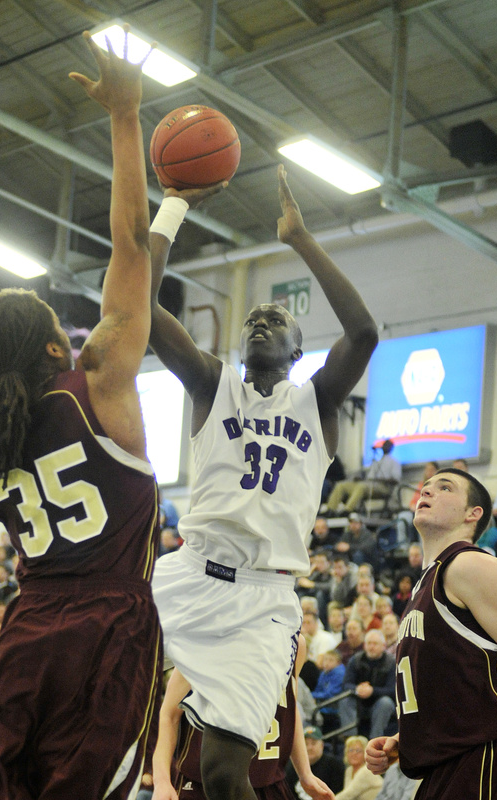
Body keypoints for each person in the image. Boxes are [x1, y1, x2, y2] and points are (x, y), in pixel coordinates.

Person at [0, 27, 162, 800]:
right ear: (57, 347)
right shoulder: (99, 382)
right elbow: (133, 242)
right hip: (108, 633)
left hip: (26, 635)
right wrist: (126, 117)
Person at [148, 164, 378, 800]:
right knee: (92, 684)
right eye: (253, 317)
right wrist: (171, 208)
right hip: (189, 575)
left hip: (263, 601)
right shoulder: (210, 383)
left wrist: (300, 239)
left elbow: (364, 333)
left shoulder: (318, 402)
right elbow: (140, 306)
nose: (260, 321)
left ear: (299, 349)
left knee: (224, 775)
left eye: (277, 319)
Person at [365, 468, 497, 798]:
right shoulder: (428, 581)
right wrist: (407, 736)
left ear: (474, 513)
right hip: (448, 763)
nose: (427, 492)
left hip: (482, 758)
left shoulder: (467, 564)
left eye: (445, 487)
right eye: (425, 487)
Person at [151, 637, 334, 800]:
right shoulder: (207, 641)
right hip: (203, 783)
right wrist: (162, 781)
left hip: (268, 780)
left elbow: (289, 709)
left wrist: (305, 773)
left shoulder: (294, 641)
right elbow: (168, 715)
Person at [339, 630, 396, 740]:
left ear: (383, 646)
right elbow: (346, 684)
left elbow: (392, 690)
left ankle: (375, 740)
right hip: (358, 701)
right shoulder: (355, 660)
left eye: (375, 644)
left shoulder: (391, 663)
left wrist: (372, 691)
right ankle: (350, 739)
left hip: (380, 703)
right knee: (345, 699)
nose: (371, 647)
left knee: (386, 702)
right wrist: (357, 689)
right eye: (369, 643)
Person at [326, 441, 401, 515]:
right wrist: (361, 479)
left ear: (391, 448)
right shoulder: (377, 461)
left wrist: (378, 479)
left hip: (383, 487)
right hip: (369, 485)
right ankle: (330, 510)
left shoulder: (395, 462)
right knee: (341, 485)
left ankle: (347, 510)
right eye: (384, 445)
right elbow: (369, 478)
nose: (384, 447)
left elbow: (396, 480)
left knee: (361, 487)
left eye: (387, 445)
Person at [285, 726, 344, 798]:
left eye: (313, 743)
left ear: (322, 745)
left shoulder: (335, 766)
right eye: (306, 744)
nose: (310, 748)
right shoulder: (291, 766)